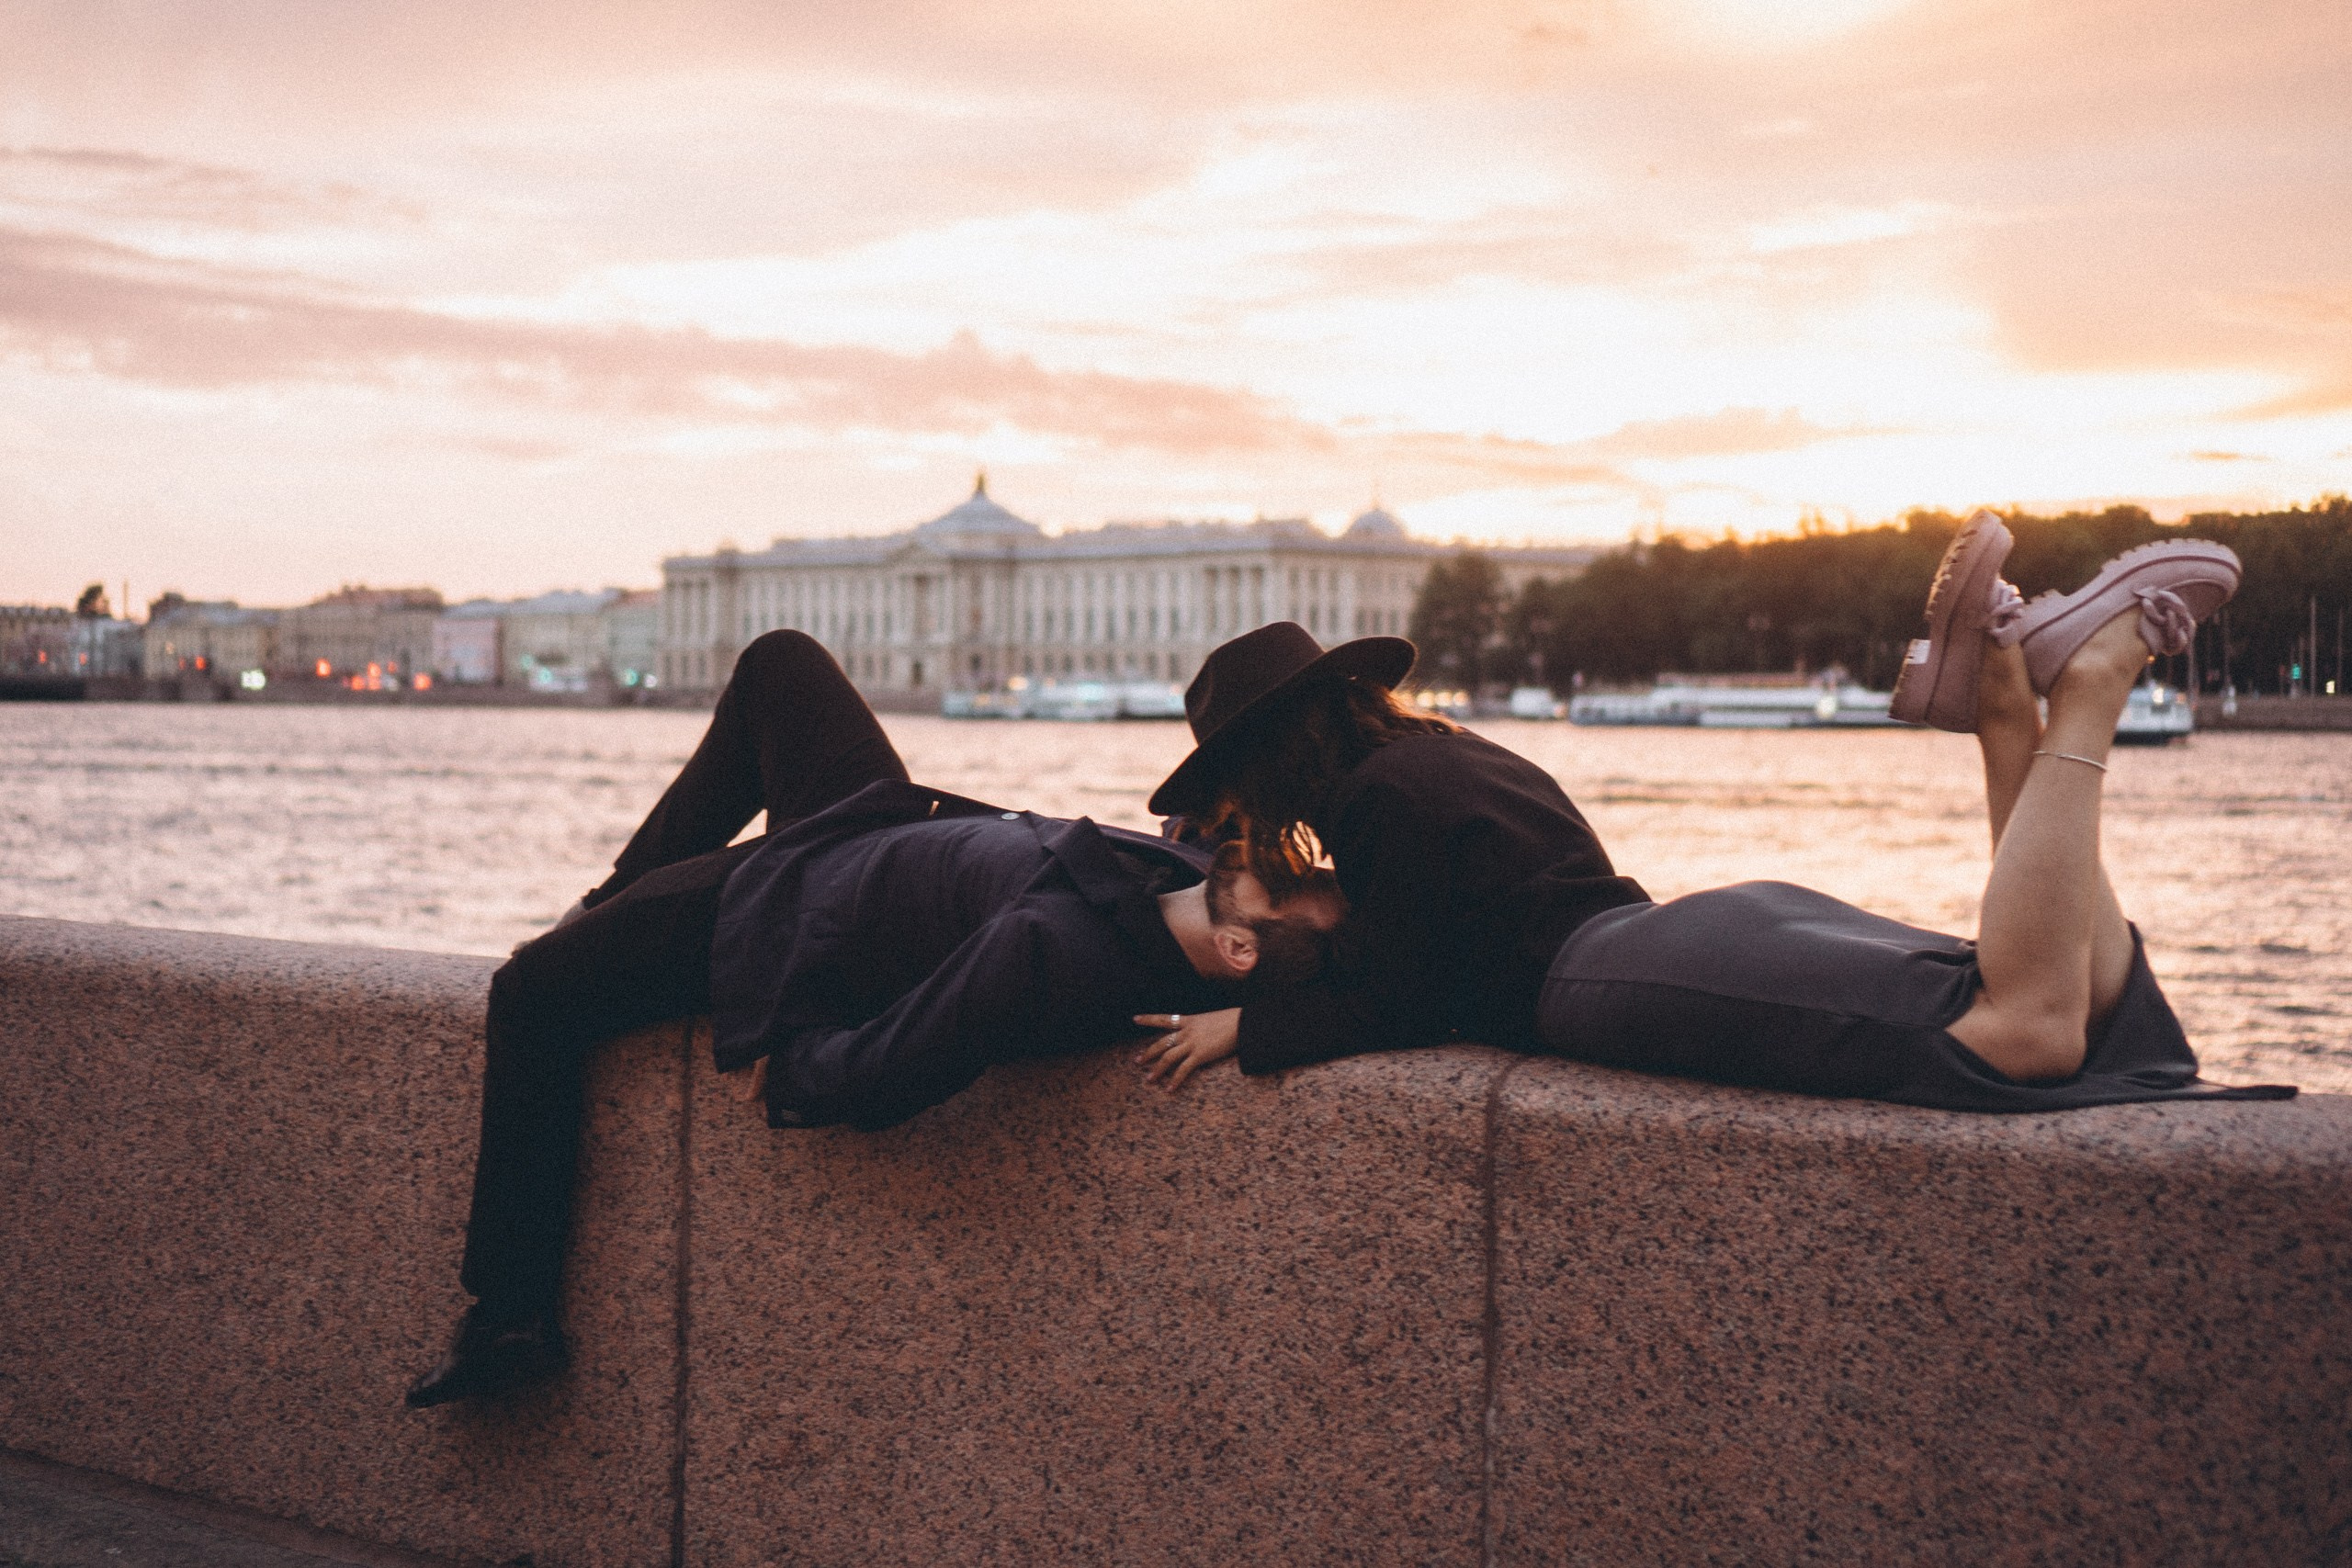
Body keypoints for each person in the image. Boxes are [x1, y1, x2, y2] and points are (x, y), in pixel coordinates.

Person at [408, 630, 1343, 1409]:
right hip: (871, 822)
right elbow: (1253, 870)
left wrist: (801, 1053)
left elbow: (886, 1068)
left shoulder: (1047, 949)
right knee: (780, 662)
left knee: (530, 993)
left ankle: (512, 1316)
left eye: (1285, 888)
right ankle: (610, 900)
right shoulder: (1201, 882)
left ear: (1242, 953)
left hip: (792, 907)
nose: (1281, 862)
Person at [1134, 515, 2295, 1118]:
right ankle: (1999, 699)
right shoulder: (1447, 755)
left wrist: (1254, 1028)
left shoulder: (1374, 803)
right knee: (2054, 997)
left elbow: (1403, 991)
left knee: (2023, 1032)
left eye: (1234, 787)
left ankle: (2081, 688)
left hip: (1619, 984)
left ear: (1268, 755)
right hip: (1680, 935)